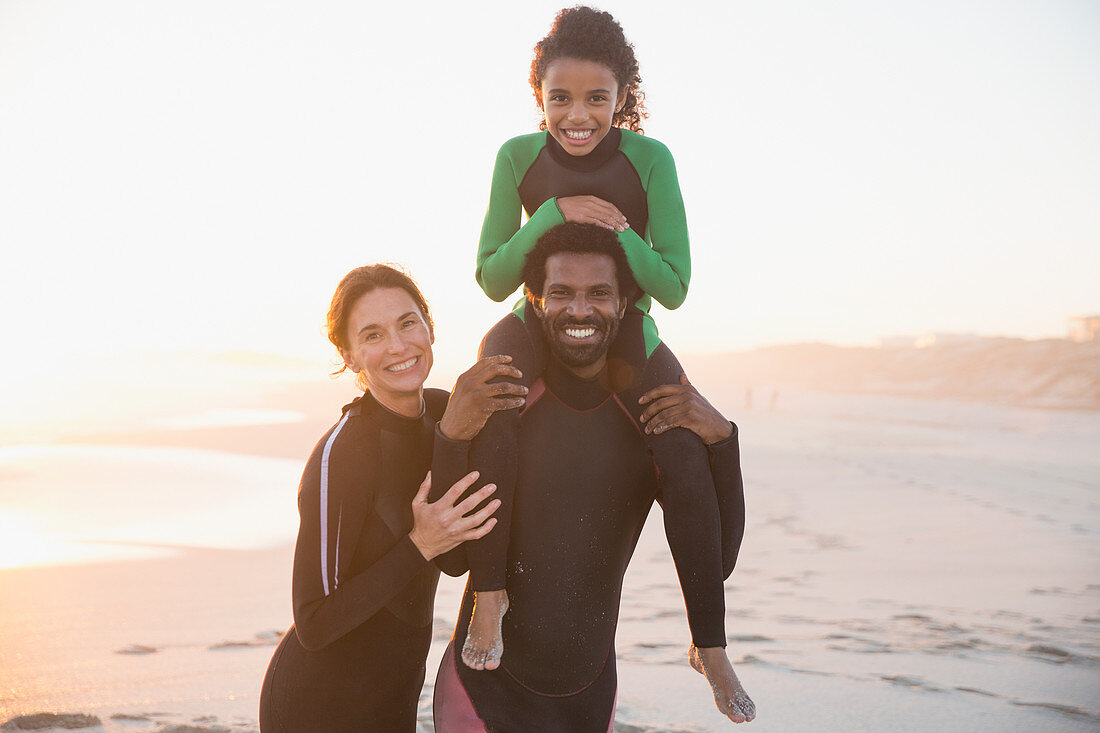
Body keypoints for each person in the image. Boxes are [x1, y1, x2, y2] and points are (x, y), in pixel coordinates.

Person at [457, 6, 740, 687]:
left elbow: (672, 288)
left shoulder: (651, 160)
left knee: (677, 442)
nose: (576, 115)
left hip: (625, 332)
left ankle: (711, 642)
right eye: (560, 98)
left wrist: (617, 231)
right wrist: (556, 213)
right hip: (537, 322)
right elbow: (494, 276)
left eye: (596, 98)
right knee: (494, 397)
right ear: (540, 98)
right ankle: (488, 595)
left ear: (622, 98)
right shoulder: (515, 158)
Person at [432, 223, 756, 729]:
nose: (580, 310)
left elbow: (718, 560)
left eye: (598, 294)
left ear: (626, 304)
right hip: (481, 697)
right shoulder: (509, 402)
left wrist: (722, 441)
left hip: (589, 700)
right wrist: (451, 438)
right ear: (536, 301)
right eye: (561, 293)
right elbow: (452, 558)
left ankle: (710, 652)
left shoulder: (650, 420)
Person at [258, 264, 528, 732]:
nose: (399, 346)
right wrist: (419, 544)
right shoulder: (342, 454)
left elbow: (459, 557)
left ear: (429, 327)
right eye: (373, 335)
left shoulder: (450, 415)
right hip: (316, 707)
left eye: (408, 323)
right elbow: (315, 623)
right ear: (350, 354)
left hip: (396, 695)